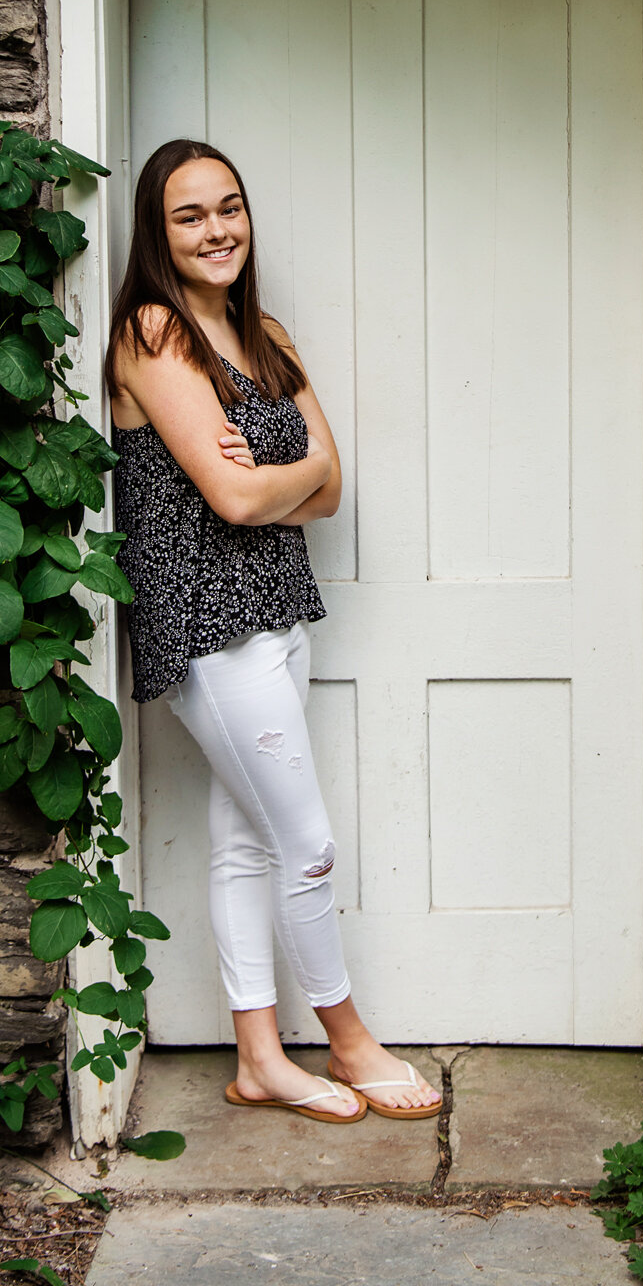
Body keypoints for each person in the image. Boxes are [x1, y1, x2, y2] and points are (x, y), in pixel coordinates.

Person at [104, 138, 441, 1125]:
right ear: (157, 233)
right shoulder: (152, 332)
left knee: (248, 839)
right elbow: (235, 496)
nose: (217, 230)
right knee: (308, 844)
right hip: (208, 624)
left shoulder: (265, 333)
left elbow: (328, 489)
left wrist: (277, 479)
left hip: (279, 612)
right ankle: (347, 1035)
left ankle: (259, 1058)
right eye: (190, 215)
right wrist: (279, 481)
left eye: (229, 207)